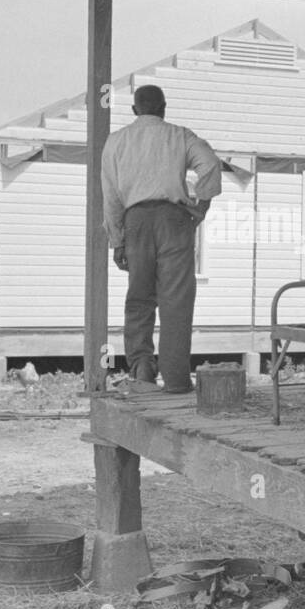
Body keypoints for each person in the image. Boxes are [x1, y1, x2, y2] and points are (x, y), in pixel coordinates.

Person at [101, 84, 221, 393]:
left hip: (136, 221)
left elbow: (111, 196)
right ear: (164, 109)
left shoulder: (116, 142)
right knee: (176, 300)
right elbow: (209, 164)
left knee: (139, 297)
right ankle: (177, 379)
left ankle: (142, 368)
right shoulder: (179, 135)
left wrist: (117, 241)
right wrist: (201, 205)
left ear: (134, 111)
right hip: (173, 221)